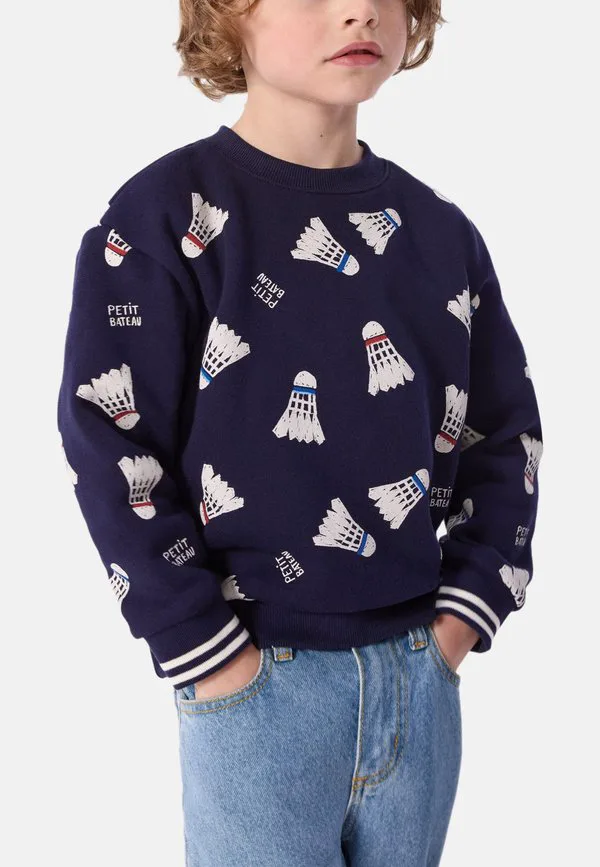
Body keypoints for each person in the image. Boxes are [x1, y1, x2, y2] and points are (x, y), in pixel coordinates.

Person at [56, 1, 544, 864]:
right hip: (255, 681)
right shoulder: (163, 217)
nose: (358, 10)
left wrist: (459, 623)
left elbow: (505, 436)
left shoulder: (439, 234)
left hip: (418, 678)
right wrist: (206, 651)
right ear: (225, 14)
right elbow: (111, 440)